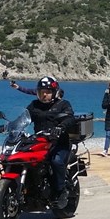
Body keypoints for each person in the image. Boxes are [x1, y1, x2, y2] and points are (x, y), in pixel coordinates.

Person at [25, 76, 75, 209]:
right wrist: (10, 125)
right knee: (24, 159)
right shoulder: (34, 105)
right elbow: (24, 117)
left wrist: (61, 127)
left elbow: (70, 118)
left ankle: (61, 191)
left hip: (59, 143)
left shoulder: (63, 104)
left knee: (56, 161)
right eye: (41, 92)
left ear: (54, 92)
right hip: (39, 142)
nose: (44, 94)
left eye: (47, 92)